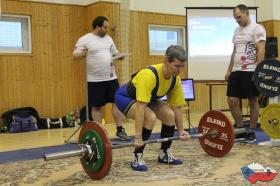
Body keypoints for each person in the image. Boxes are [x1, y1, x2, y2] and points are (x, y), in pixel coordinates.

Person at [115, 45, 190, 171]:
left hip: (148, 99)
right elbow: (140, 108)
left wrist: (181, 130)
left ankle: (164, 154)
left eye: (182, 66)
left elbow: (177, 107)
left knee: (169, 115)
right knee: (150, 117)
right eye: (177, 66)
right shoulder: (149, 75)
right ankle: (137, 156)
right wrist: (138, 137)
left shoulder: (174, 79)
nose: (180, 70)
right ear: (166, 61)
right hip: (126, 97)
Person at [73, 16, 130, 141]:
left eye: (107, 27)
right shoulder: (85, 39)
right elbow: (75, 56)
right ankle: (101, 133)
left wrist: (119, 56)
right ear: (97, 27)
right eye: (105, 27)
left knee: (117, 103)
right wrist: (82, 53)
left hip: (111, 78)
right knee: (96, 107)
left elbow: (114, 53)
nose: (107, 30)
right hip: (94, 80)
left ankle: (120, 130)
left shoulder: (109, 39)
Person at [225, 4, 266, 143]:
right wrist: (229, 69)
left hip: (250, 70)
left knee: (252, 99)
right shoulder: (236, 30)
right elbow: (234, 51)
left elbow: (261, 49)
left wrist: (258, 71)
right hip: (237, 70)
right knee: (231, 100)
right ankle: (241, 129)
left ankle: (251, 131)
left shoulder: (257, 28)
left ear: (246, 13)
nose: (237, 20)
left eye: (239, 17)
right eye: (235, 18)